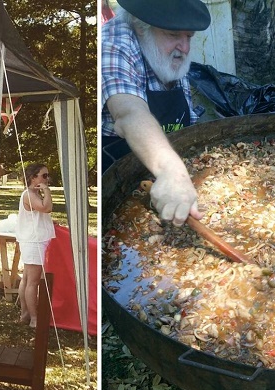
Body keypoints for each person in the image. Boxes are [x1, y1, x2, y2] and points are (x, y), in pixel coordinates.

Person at [101, 0, 211, 227]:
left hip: (171, 169)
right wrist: (172, 171)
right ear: (141, 27)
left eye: (189, 36)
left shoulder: (166, 48)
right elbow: (129, 114)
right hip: (119, 176)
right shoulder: (111, 45)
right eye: (173, 35)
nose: (185, 48)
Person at [15, 163, 56, 328]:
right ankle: (34, 318)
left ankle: (25, 313)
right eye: (44, 176)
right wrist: (47, 190)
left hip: (34, 239)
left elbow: (40, 215)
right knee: (33, 282)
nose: (47, 179)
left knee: (26, 279)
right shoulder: (30, 194)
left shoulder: (33, 194)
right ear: (34, 177)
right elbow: (46, 208)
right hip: (34, 241)